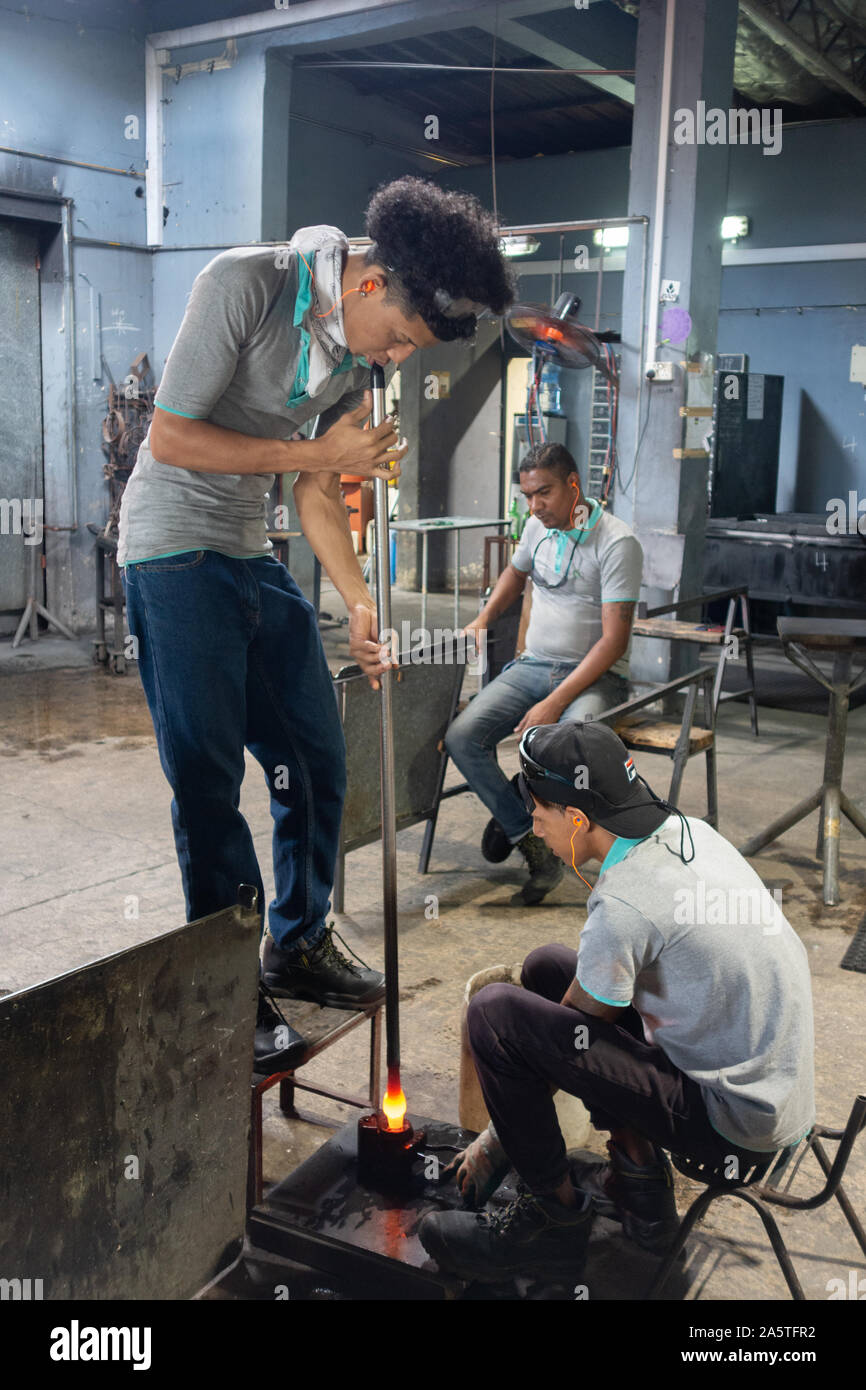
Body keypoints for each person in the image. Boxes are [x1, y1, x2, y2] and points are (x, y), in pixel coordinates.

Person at [117, 176, 514, 1071]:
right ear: (369, 282)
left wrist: (361, 602)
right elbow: (173, 437)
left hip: (248, 550)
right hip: (172, 548)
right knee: (209, 775)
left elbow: (315, 490)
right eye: (403, 338)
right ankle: (226, 987)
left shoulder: (358, 362)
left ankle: (296, 937)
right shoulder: (244, 285)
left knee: (315, 751)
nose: (400, 360)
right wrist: (320, 452)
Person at [419, 721, 816, 1285]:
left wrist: (498, 1139)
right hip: (774, 1091)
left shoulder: (628, 898)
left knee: (495, 1015)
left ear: (577, 820)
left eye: (537, 811)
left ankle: (550, 1223)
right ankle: (642, 1191)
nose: (531, 823)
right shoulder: (689, 832)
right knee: (547, 968)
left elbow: (564, 1034)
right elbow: (579, 1018)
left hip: (734, 1122)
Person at [445, 442, 642, 906]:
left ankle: (532, 810)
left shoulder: (617, 542)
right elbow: (515, 575)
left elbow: (613, 642)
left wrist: (553, 703)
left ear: (574, 485)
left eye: (545, 493)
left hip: (596, 676)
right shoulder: (536, 527)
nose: (535, 506)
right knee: (463, 737)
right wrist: (483, 620)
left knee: (571, 742)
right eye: (528, 495)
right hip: (534, 665)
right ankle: (528, 834)